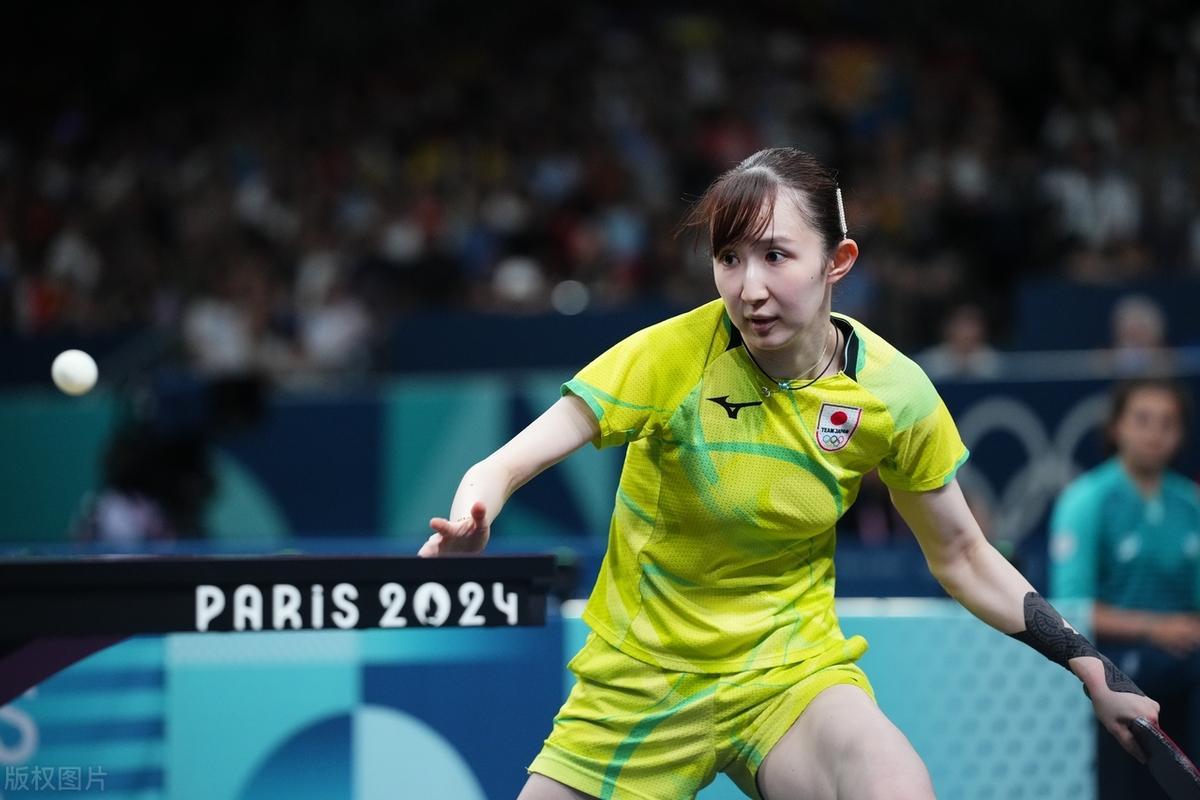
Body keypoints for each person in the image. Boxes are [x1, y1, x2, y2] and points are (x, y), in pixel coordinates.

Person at [419, 148, 1160, 800]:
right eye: (729, 258)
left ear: (838, 261)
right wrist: (475, 511)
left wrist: (1091, 667)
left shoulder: (892, 393)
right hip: (643, 678)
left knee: (895, 783)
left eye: (776, 256)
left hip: (787, 676)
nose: (748, 288)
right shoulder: (671, 355)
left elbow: (963, 554)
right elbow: (507, 460)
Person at [1050, 378, 1200, 799]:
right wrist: (1156, 628)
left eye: (1168, 423)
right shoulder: (1086, 500)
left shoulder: (1191, 503)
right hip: (1111, 661)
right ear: (1117, 427)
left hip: (1186, 655)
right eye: (1143, 420)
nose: (1155, 433)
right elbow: (1070, 610)